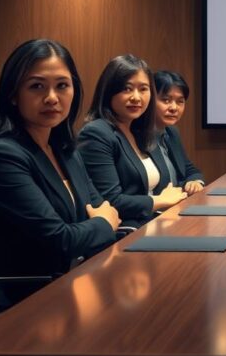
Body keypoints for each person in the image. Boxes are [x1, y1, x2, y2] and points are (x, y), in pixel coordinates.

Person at [0, 39, 159, 356]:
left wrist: (98, 221)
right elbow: (63, 239)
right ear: (13, 95)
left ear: (75, 91)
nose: (52, 97)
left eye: (62, 86)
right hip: (8, 310)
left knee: (142, 341)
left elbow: (95, 213)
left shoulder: (63, 148)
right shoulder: (5, 156)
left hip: (54, 295)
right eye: (37, 86)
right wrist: (101, 222)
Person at [79, 55, 187, 228]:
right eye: (127, 89)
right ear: (109, 91)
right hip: (127, 231)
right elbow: (111, 201)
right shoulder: (96, 133)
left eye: (143, 89)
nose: (136, 97)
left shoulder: (140, 130)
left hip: (157, 222)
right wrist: (158, 201)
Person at [152, 70, 205, 193]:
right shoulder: (137, 136)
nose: (174, 108)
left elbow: (190, 170)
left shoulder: (171, 132)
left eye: (180, 101)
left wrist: (195, 182)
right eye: (166, 100)